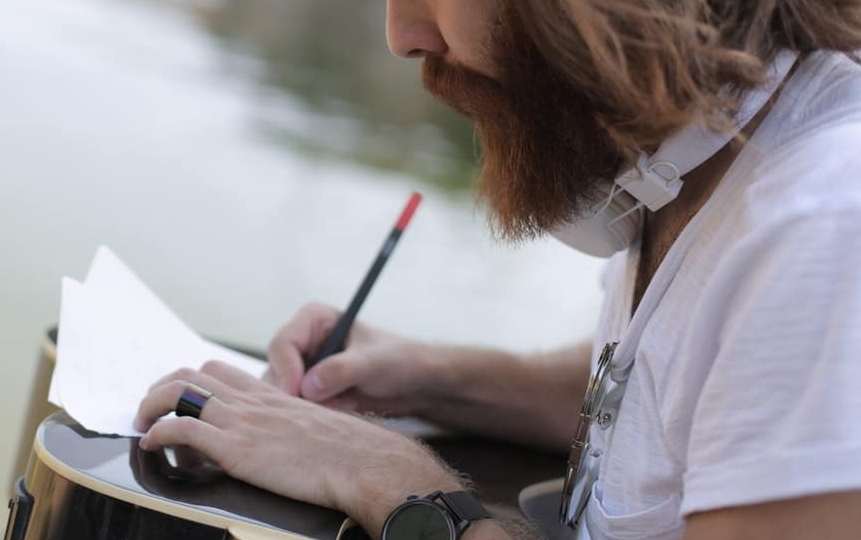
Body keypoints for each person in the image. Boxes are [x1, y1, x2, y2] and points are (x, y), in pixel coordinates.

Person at [134, 1, 861, 538]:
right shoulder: (698, 151)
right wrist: (435, 378)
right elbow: (681, 402)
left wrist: (401, 490)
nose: (402, 35)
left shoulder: (821, 226)